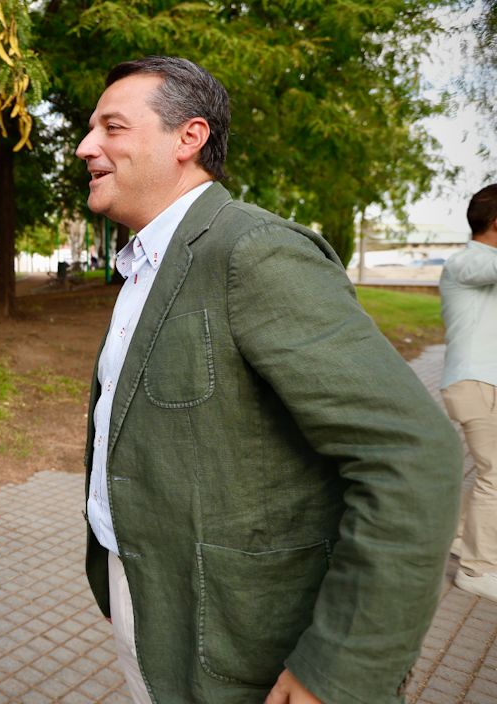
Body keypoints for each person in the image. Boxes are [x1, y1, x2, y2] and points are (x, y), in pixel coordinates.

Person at [75, 56, 461, 703]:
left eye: (112, 127)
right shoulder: (145, 261)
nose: (86, 147)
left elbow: (413, 458)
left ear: (188, 138)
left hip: (242, 643)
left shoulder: (250, 251)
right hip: (148, 595)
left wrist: (336, 669)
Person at [441, 183, 497, 601]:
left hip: (485, 382)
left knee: (488, 473)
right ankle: (477, 570)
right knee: (494, 477)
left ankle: (460, 538)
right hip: (473, 383)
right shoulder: (465, 262)